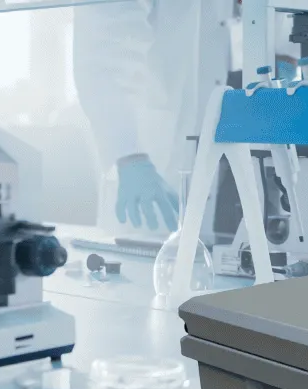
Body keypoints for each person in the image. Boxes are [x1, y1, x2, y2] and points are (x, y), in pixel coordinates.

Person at [72, 0, 295, 240]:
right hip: (155, 158)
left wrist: (285, 73)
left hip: (236, 148)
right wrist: (130, 156)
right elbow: (105, 55)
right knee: (147, 259)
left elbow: (285, 42)